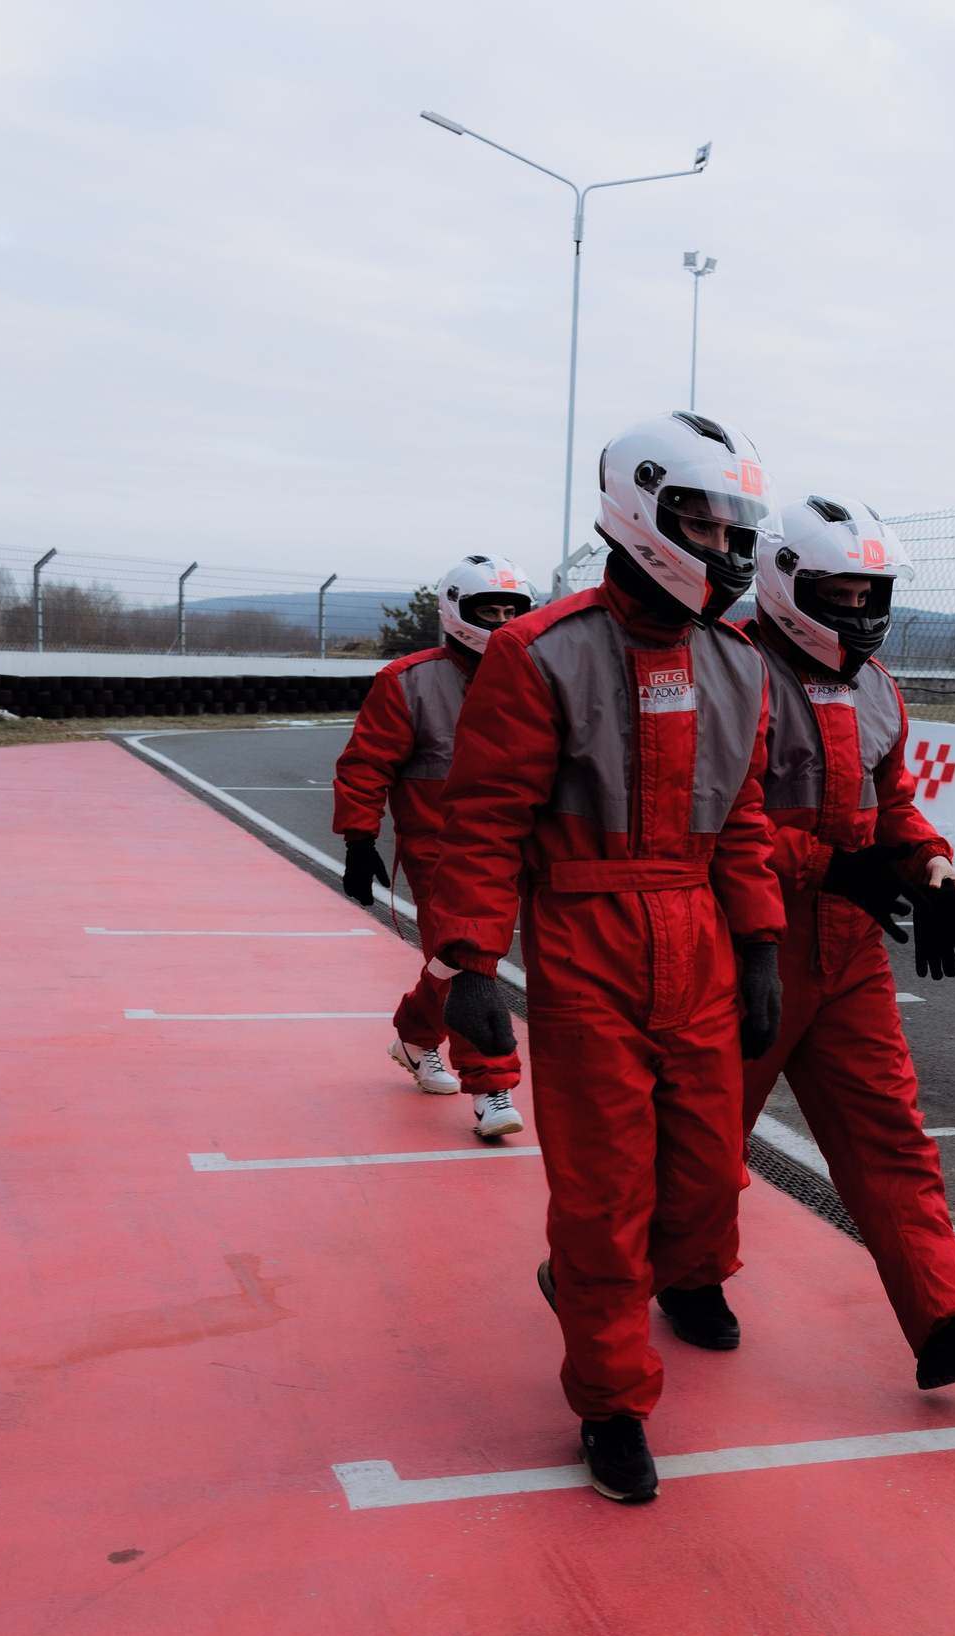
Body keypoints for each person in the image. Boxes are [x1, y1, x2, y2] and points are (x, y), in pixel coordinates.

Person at [426, 411, 785, 1504]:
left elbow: (745, 818)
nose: (724, 546)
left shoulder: (738, 665)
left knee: (708, 1174)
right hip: (584, 945)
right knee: (599, 1193)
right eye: (704, 520)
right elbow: (481, 825)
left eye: (737, 526)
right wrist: (471, 965)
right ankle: (612, 1399)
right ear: (642, 513)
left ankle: (681, 1279)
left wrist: (761, 944)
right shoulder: (543, 654)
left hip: (699, 940)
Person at [743, 495, 955, 1388]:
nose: (863, 608)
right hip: (748, 944)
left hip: (852, 947)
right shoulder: (731, 671)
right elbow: (719, 821)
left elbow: (893, 805)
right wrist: (824, 868)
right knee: (701, 1145)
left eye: (875, 590)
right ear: (788, 580)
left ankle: (946, 1321)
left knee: (892, 1138)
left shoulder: (878, 686)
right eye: (844, 588)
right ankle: (638, 1277)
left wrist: (931, 865)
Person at [333, 557, 536, 1139]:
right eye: (488, 610)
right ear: (456, 611)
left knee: (450, 960)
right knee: (473, 960)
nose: (500, 621)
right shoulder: (408, 680)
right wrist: (358, 838)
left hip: (523, 844)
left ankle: (415, 1035)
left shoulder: (538, 674)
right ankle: (493, 1088)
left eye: (510, 610)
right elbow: (365, 764)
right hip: (440, 851)